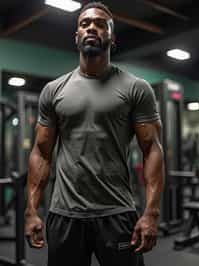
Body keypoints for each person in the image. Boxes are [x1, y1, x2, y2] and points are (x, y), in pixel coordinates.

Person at [25, 2, 164, 266]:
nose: (92, 28)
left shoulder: (136, 88)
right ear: (76, 36)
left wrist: (152, 213)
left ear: (112, 38)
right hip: (64, 214)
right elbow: (41, 152)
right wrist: (31, 210)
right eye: (84, 23)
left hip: (117, 212)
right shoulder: (54, 90)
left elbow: (152, 149)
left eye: (101, 24)